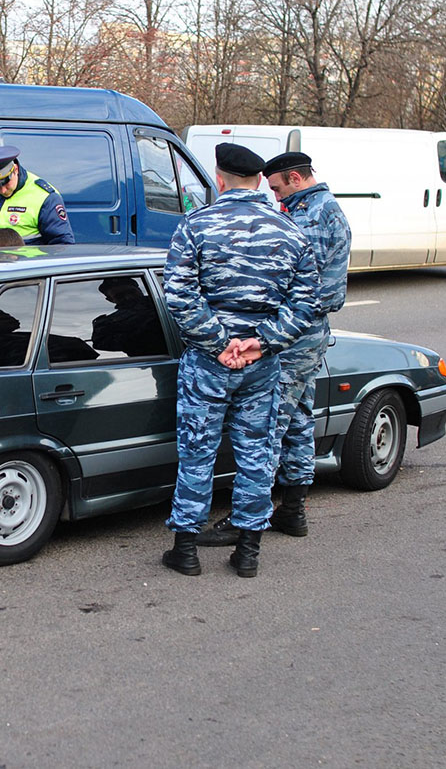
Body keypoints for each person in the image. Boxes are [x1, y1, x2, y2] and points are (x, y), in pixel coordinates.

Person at [161, 143, 320, 578]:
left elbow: (178, 295)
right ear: (258, 182)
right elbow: (306, 304)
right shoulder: (291, 232)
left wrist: (217, 343)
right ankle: (248, 552)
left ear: (220, 178)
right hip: (260, 365)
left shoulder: (196, 225)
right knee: (258, 453)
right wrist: (260, 343)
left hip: (209, 364)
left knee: (198, 451)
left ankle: (187, 551)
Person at [197, 151, 352, 548]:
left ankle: (248, 518)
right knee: (298, 419)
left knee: (266, 428)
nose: (274, 193)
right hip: (307, 332)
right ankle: (293, 509)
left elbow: (297, 286)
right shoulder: (319, 208)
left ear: (296, 178)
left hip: (293, 334)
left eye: (278, 185)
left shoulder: (312, 216)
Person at [0, 146, 75, 245]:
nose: (3, 190)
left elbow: (62, 245)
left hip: (23, 269)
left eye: (5, 183)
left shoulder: (44, 196)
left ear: (15, 169)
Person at [91, 277, 167, 357]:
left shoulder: (163, 304)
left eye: (132, 292)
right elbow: (99, 343)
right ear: (110, 300)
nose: (128, 297)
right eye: (119, 296)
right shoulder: (108, 322)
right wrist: (141, 333)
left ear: (139, 290)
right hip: (154, 360)